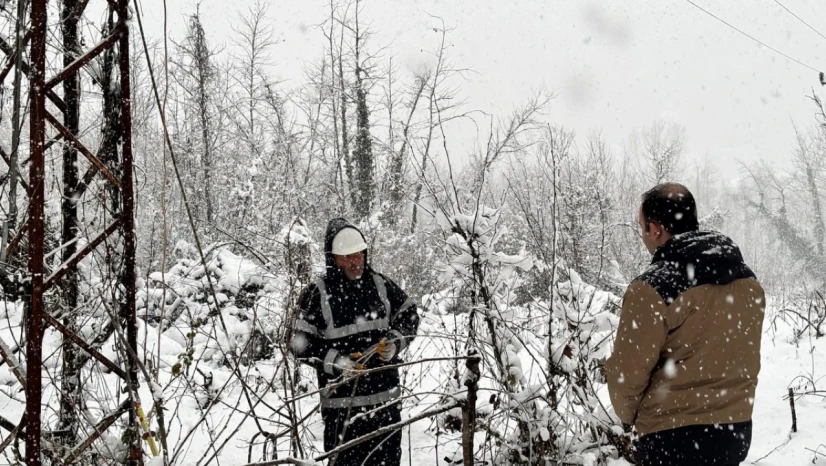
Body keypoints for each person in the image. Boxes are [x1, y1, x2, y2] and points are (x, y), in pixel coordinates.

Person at [606, 183, 765, 466]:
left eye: (642, 226)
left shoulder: (651, 289)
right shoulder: (748, 282)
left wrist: (631, 417)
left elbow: (626, 378)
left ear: (655, 230)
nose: (643, 234)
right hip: (734, 432)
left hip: (671, 439)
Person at [291, 218, 419, 465]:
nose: (355, 262)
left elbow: (409, 313)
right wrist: (337, 362)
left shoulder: (381, 285)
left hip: (386, 409)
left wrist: (396, 341)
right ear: (333, 258)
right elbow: (298, 342)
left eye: (359, 254)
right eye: (347, 256)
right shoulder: (317, 293)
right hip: (342, 415)